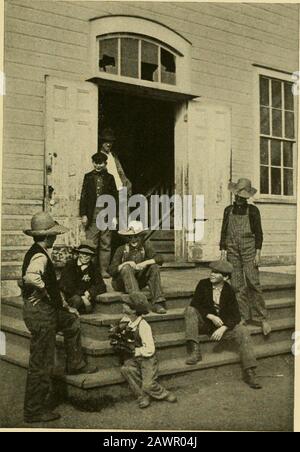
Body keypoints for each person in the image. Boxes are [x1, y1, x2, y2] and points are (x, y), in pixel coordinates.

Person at [21, 212, 98, 424]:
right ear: (47, 236)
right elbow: (30, 277)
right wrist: (42, 290)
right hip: (41, 315)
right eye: (53, 234)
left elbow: (29, 281)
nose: (55, 237)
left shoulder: (39, 251)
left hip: (48, 310)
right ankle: (34, 410)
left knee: (71, 321)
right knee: (41, 361)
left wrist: (65, 306)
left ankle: (75, 363)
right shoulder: (38, 255)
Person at [184, 260, 262, 389]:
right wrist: (210, 316)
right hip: (205, 324)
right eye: (212, 271)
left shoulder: (229, 290)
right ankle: (195, 351)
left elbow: (236, 315)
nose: (212, 274)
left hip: (222, 328)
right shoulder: (203, 284)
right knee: (190, 311)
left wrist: (223, 328)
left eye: (216, 273)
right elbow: (195, 303)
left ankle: (250, 372)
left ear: (225, 277)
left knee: (243, 331)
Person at [219, 178, 271, 336]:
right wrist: (223, 250)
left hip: (249, 249)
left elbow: (259, 233)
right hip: (232, 249)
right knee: (237, 284)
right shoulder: (228, 210)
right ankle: (242, 316)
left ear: (247, 197)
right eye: (237, 196)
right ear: (234, 195)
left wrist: (258, 253)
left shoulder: (253, 211)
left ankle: (261, 318)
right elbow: (224, 231)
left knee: (253, 282)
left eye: (242, 196)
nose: (239, 199)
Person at [119, 291, 177, 409]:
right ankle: (142, 396)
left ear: (134, 310)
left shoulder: (144, 326)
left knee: (148, 385)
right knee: (126, 369)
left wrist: (134, 351)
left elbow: (150, 349)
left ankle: (164, 393)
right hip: (134, 358)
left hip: (147, 358)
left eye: (126, 304)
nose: (123, 305)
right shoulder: (128, 320)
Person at [109, 221, 167, 314]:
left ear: (141, 237)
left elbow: (159, 258)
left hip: (139, 281)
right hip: (121, 283)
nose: (133, 240)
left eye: (136, 237)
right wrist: (126, 263)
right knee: (126, 268)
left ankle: (158, 302)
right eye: (130, 237)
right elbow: (111, 270)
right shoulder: (121, 249)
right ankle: (138, 302)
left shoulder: (145, 247)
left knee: (154, 267)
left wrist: (145, 263)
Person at [80, 151, 118, 279]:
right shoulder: (88, 177)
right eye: (96, 163)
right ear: (93, 163)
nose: (98, 166)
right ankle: (91, 270)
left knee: (105, 243)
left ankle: (103, 270)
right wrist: (84, 214)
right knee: (91, 243)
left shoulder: (110, 178)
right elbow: (83, 197)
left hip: (106, 214)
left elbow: (115, 198)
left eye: (100, 163)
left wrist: (114, 216)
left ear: (105, 164)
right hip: (93, 215)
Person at [59, 240, 107, 314]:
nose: (85, 256)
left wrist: (89, 292)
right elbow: (66, 285)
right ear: (78, 254)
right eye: (83, 253)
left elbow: (101, 285)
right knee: (76, 299)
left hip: (86, 300)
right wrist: (82, 295)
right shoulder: (70, 265)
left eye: (88, 254)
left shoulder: (93, 267)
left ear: (92, 256)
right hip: (70, 297)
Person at [99, 127, 132, 196]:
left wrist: (126, 183)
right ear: (101, 142)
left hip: (120, 189)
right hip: (109, 191)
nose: (108, 144)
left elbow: (121, 173)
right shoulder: (99, 157)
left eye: (110, 141)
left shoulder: (114, 155)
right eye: (106, 141)